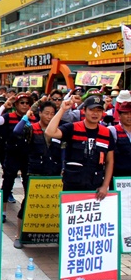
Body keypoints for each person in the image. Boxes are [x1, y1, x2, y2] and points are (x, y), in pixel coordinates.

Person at [11, 101, 62, 248]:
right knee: (28, 201)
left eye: (52, 114)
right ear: (39, 113)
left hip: (54, 172)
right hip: (33, 172)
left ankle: (53, 234)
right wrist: (26, 116)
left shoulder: (58, 130)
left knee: (53, 203)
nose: (49, 116)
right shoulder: (31, 129)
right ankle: (19, 235)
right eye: (46, 113)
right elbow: (16, 132)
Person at [45, 96, 114, 198]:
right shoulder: (72, 128)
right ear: (84, 110)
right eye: (91, 110)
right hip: (72, 185)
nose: (95, 113)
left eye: (99, 110)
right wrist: (62, 109)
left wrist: (105, 185)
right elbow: (49, 132)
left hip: (95, 186)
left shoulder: (107, 133)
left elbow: (109, 161)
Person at [109, 95, 131, 177]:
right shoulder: (112, 130)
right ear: (119, 116)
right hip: (118, 176)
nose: (129, 116)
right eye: (126, 113)